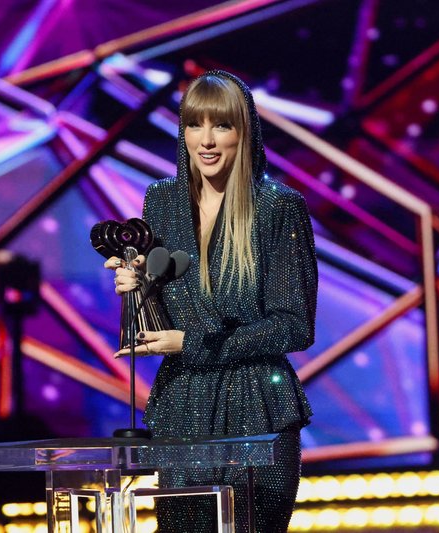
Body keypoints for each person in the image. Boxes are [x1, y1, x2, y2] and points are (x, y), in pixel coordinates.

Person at [103, 69, 317, 533]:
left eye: (221, 125)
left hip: (258, 406)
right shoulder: (162, 202)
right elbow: (159, 310)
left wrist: (193, 344)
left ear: (245, 131)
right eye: (194, 125)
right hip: (182, 406)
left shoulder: (278, 208)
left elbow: (294, 325)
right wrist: (136, 285)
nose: (207, 140)